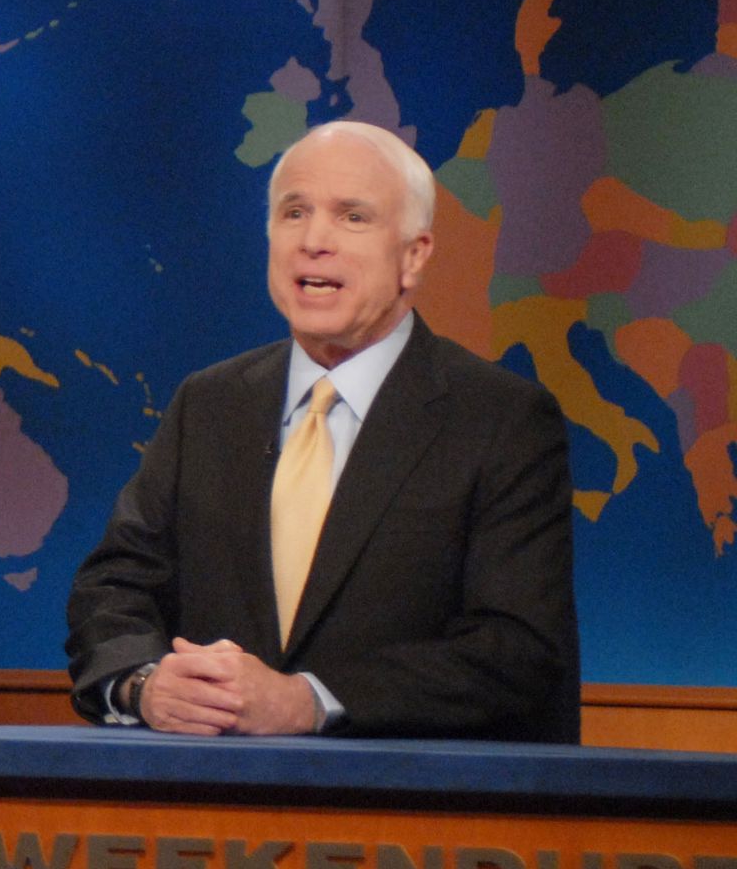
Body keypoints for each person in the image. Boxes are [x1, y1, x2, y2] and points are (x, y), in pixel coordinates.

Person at [65, 120, 580, 741]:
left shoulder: (500, 419)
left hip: (413, 814)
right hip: (209, 811)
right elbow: (114, 586)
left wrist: (308, 701)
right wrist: (145, 686)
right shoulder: (209, 403)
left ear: (414, 256)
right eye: (293, 213)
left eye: (352, 217)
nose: (314, 240)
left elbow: (515, 647)